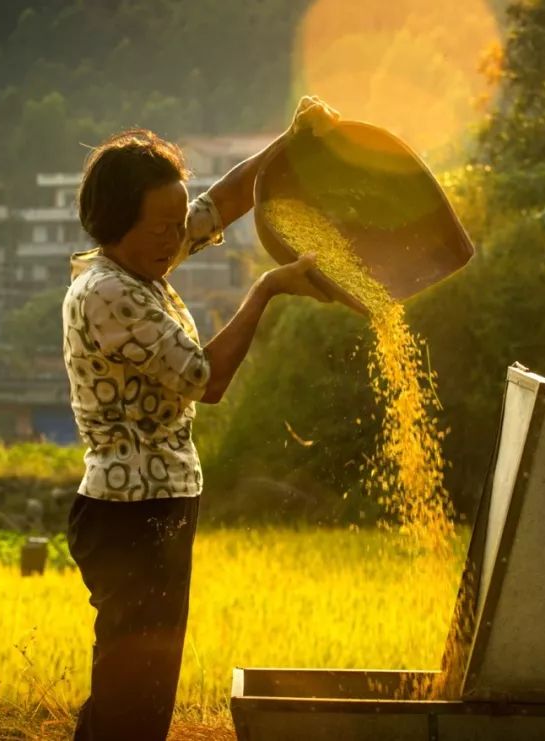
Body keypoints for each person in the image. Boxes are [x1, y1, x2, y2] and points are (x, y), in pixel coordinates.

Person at [63, 96, 339, 739]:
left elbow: (225, 201)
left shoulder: (141, 261)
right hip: (130, 516)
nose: (174, 236)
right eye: (159, 226)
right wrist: (266, 289)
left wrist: (292, 143)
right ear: (114, 222)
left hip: (160, 505)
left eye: (174, 222)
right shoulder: (108, 291)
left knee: (140, 690)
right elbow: (205, 380)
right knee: (133, 695)